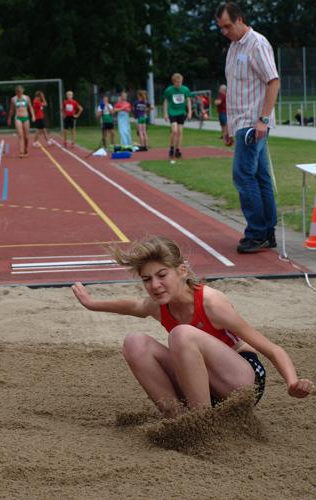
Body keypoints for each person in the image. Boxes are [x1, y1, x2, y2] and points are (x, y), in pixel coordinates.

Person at [72, 235, 313, 419]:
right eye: (147, 279)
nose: (154, 285)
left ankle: (201, 423)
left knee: (181, 334)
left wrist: (292, 383)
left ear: (182, 272)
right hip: (202, 386)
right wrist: (92, 304)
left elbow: (273, 349)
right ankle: (179, 419)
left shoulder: (211, 302)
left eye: (162, 275)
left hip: (241, 382)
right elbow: (133, 305)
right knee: (134, 342)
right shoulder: (157, 305)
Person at [215, 2, 280, 254]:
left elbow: (273, 81)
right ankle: (267, 230)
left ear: (240, 19)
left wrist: (263, 119)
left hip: (253, 123)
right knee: (260, 176)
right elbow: (235, 90)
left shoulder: (257, 44)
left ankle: (257, 231)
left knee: (243, 176)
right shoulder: (233, 47)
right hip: (241, 123)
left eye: (227, 26)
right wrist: (229, 129)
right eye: (221, 28)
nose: (224, 32)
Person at [163, 73, 192, 159]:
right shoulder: (169, 90)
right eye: (177, 82)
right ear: (174, 82)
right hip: (172, 112)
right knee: (174, 131)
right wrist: (165, 113)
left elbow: (188, 100)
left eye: (180, 82)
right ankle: (172, 148)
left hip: (181, 112)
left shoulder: (185, 89)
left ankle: (178, 150)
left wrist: (190, 112)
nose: (179, 84)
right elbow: (166, 101)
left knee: (180, 132)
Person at [7, 85, 35, 158]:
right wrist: (9, 118)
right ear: (16, 92)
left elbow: (30, 107)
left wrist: (33, 115)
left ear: (22, 91)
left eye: (20, 91)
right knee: (20, 135)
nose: (19, 93)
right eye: (17, 92)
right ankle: (21, 151)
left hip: (26, 118)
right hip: (18, 118)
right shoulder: (13, 99)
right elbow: (12, 109)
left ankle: (25, 148)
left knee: (26, 136)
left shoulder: (27, 98)